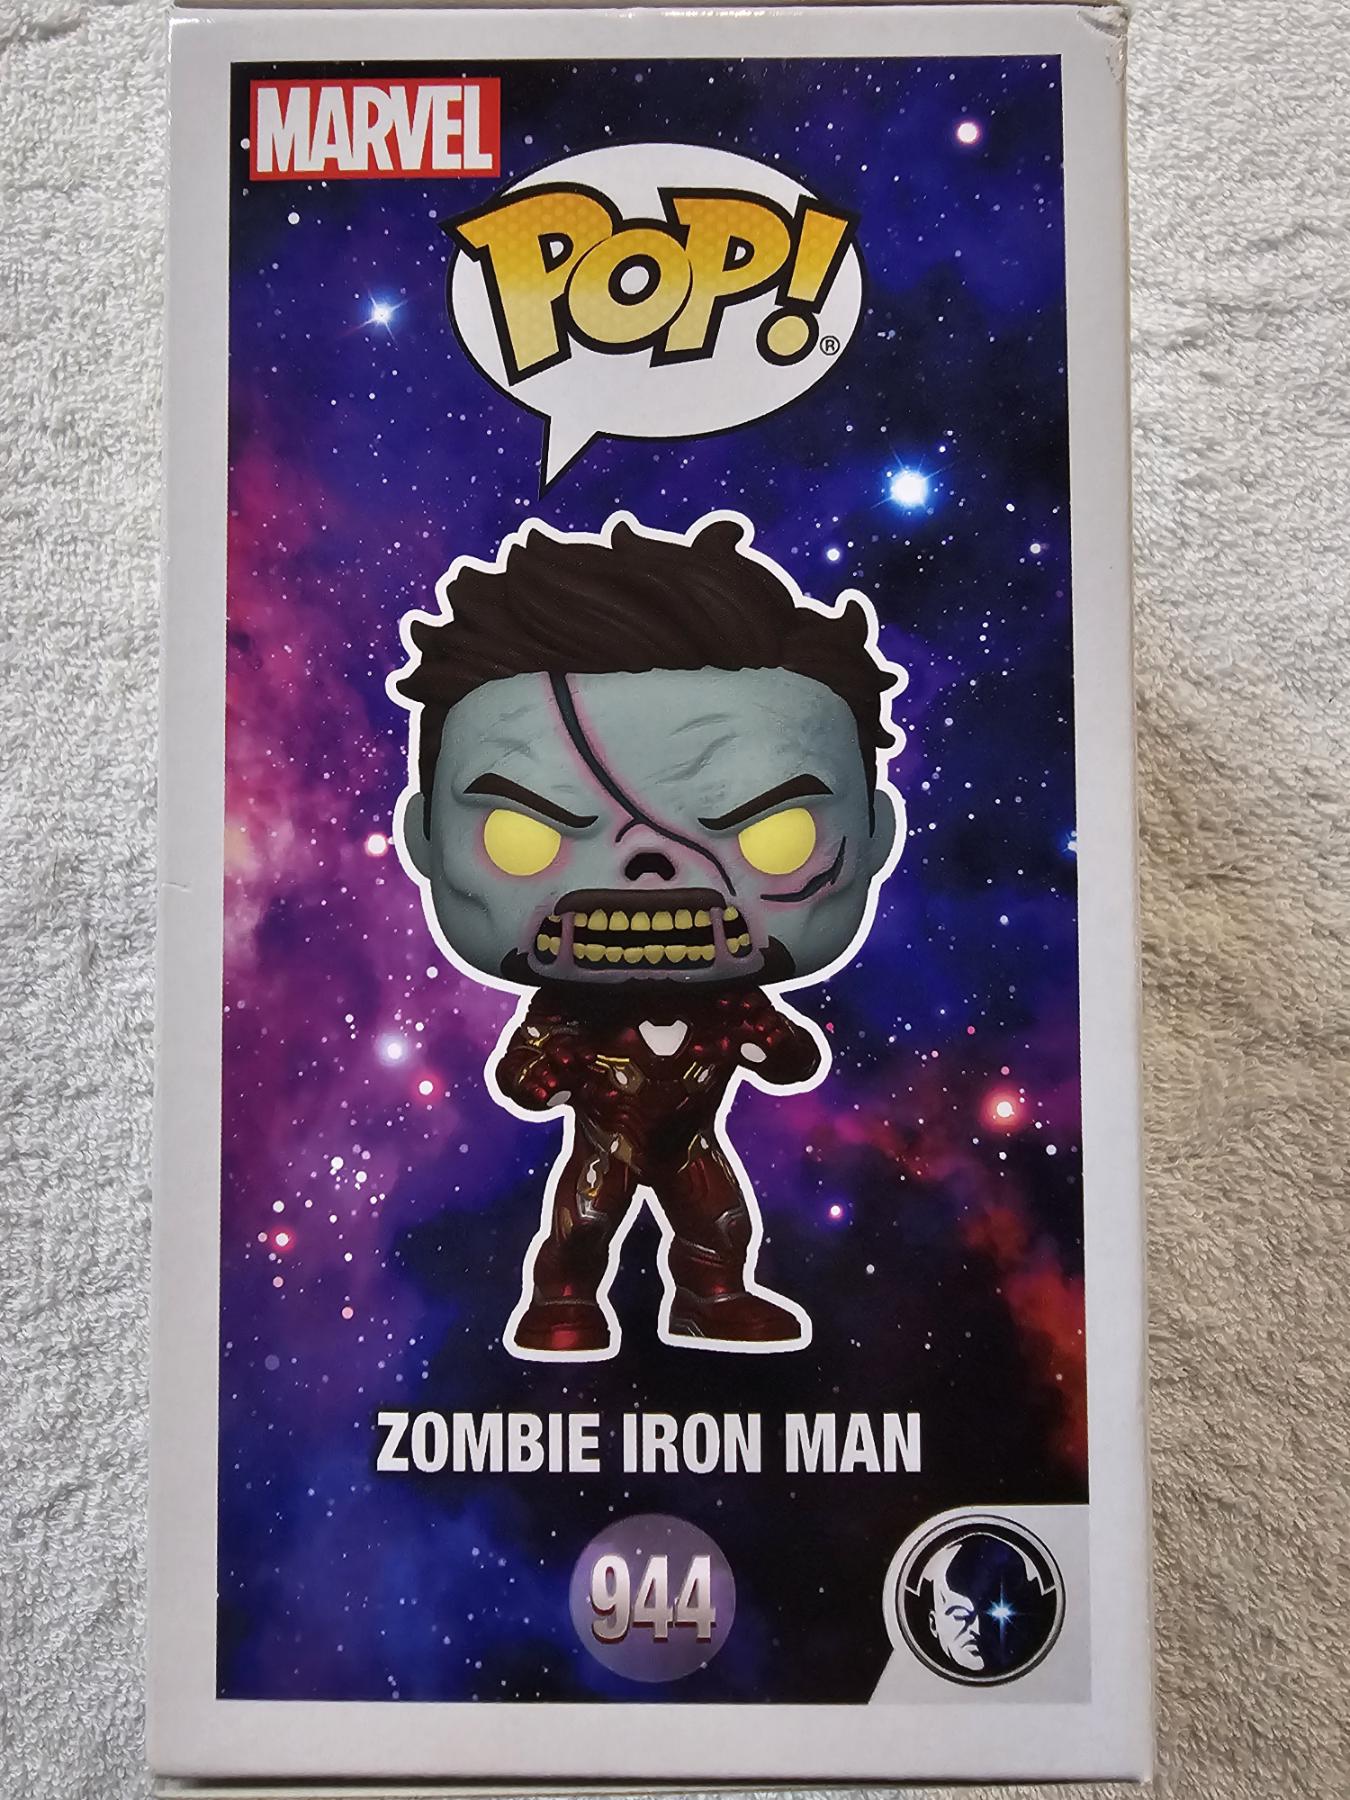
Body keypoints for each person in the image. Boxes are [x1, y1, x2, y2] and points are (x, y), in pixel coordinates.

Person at [391, 512, 905, 1357]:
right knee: (583, 1220)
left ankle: (712, 1296)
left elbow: (788, 1059)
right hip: (608, 1136)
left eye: (772, 833)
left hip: (690, 1137)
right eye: (527, 835)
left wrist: (764, 1039)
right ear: (423, 839)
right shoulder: (568, 1010)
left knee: (718, 1219)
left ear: (878, 834)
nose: (647, 869)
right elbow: (525, 1073)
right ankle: (564, 1299)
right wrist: (544, 1069)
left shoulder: (733, 1003)